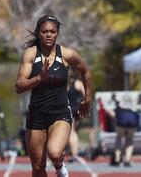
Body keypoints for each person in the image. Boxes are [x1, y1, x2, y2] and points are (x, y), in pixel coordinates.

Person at [15, 15, 92, 177]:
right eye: (44, 32)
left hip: (60, 113)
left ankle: (59, 163)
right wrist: (38, 78)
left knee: (55, 152)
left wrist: (87, 98)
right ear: (38, 33)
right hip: (37, 115)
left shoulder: (67, 54)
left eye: (52, 31)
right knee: (37, 168)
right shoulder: (30, 54)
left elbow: (86, 71)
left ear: (57, 33)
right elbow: (19, 86)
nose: (49, 35)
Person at [67, 69, 85, 162]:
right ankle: (73, 152)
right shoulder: (62, 84)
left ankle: (74, 154)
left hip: (74, 110)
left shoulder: (77, 83)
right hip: (67, 110)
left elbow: (86, 95)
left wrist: (84, 105)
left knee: (72, 132)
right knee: (73, 132)